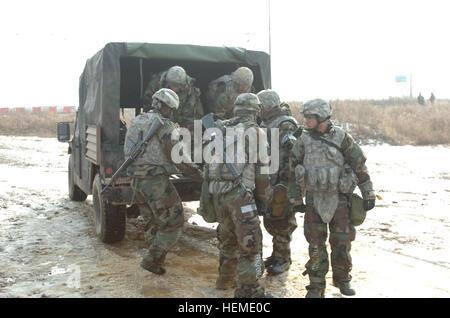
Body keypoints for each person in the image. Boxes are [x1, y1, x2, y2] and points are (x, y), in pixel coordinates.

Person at [288, 99, 376, 298]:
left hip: (340, 199)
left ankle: (343, 279)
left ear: (321, 117)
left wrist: (368, 192)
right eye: (306, 116)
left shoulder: (342, 138)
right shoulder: (303, 140)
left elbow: (359, 164)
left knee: (342, 241)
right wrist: (295, 199)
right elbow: (293, 169)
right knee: (315, 243)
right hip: (314, 199)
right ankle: (316, 286)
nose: (306, 120)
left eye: (310, 117)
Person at [124, 88, 203, 275]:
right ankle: (151, 260)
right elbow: (179, 158)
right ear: (166, 108)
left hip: (136, 180)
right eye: (171, 109)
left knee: (153, 220)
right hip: (154, 181)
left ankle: (155, 260)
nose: (171, 112)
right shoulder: (165, 126)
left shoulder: (137, 121)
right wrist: (199, 174)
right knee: (174, 221)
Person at [203, 93, 273, 298]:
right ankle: (249, 291)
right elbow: (262, 172)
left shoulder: (217, 129)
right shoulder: (256, 133)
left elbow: (206, 165)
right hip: (241, 195)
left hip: (219, 194)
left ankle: (224, 279)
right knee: (251, 244)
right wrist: (263, 200)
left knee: (228, 239)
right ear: (255, 111)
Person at [257, 89, 299, 275]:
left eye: (260, 107)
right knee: (272, 219)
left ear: (268, 107)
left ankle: (283, 259)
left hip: (283, 181)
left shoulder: (285, 125)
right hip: (270, 179)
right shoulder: (266, 122)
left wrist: (286, 186)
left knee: (282, 221)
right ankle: (276, 255)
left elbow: (291, 157)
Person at [142, 66, 204, 134]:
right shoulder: (156, 85)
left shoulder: (190, 91)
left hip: (180, 124)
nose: (175, 88)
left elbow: (195, 117)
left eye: (177, 86)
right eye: (172, 85)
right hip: (158, 122)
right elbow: (147, 106)